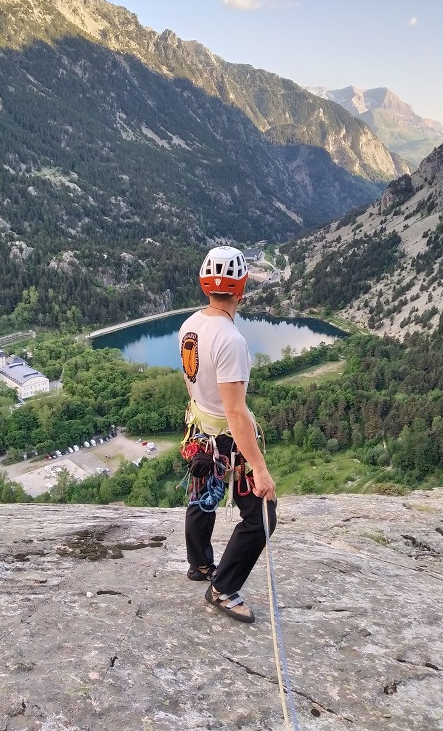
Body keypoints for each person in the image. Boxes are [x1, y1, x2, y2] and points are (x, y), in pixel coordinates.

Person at [179, 245, 277, 623]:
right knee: (262, 516)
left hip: (199, 432)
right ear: (242, 289)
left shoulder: (189, 326)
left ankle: (201, 564)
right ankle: (222, 588)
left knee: (202, 498)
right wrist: (260, 469)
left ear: (204, 285)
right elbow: (235, 412)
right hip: (225, 439)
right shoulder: (231, 340)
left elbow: (190, 379)